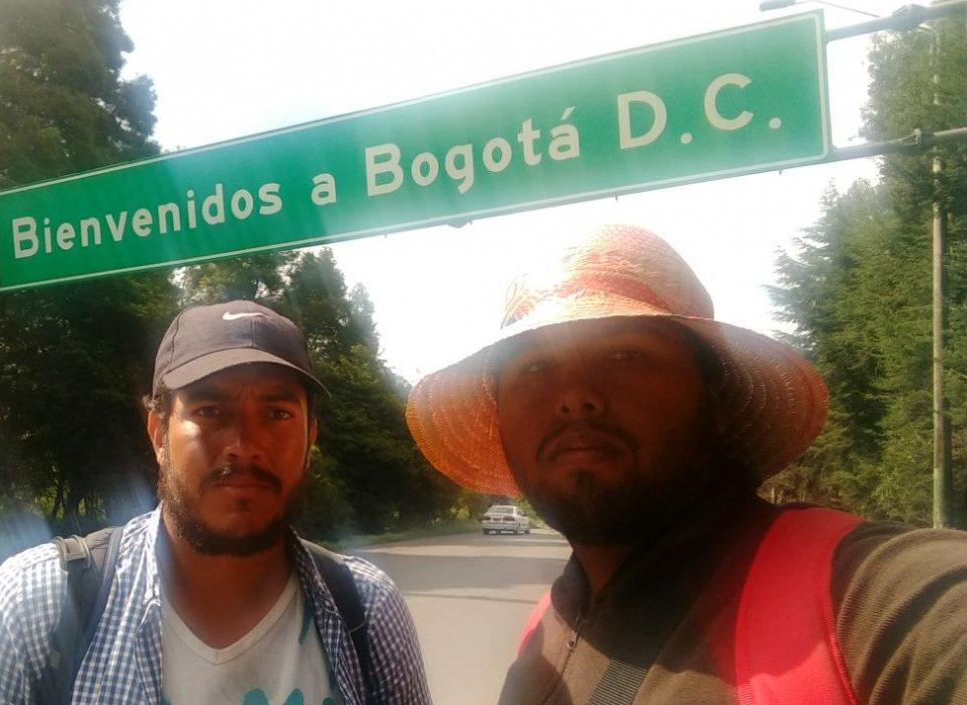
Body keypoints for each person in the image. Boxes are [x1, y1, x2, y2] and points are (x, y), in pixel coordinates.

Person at [406, 225, 967, 705]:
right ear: (501, 419)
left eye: (625, 354)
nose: (574, 396)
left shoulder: (870, 596)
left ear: (716, 399)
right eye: (532, 368)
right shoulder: (544, 629)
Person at [0, 300, 431, 705]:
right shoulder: (31, 606)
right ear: (158, 433)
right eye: (211, 410)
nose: (244, 444)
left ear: (310, 437)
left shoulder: (367, 611)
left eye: (277, 413)